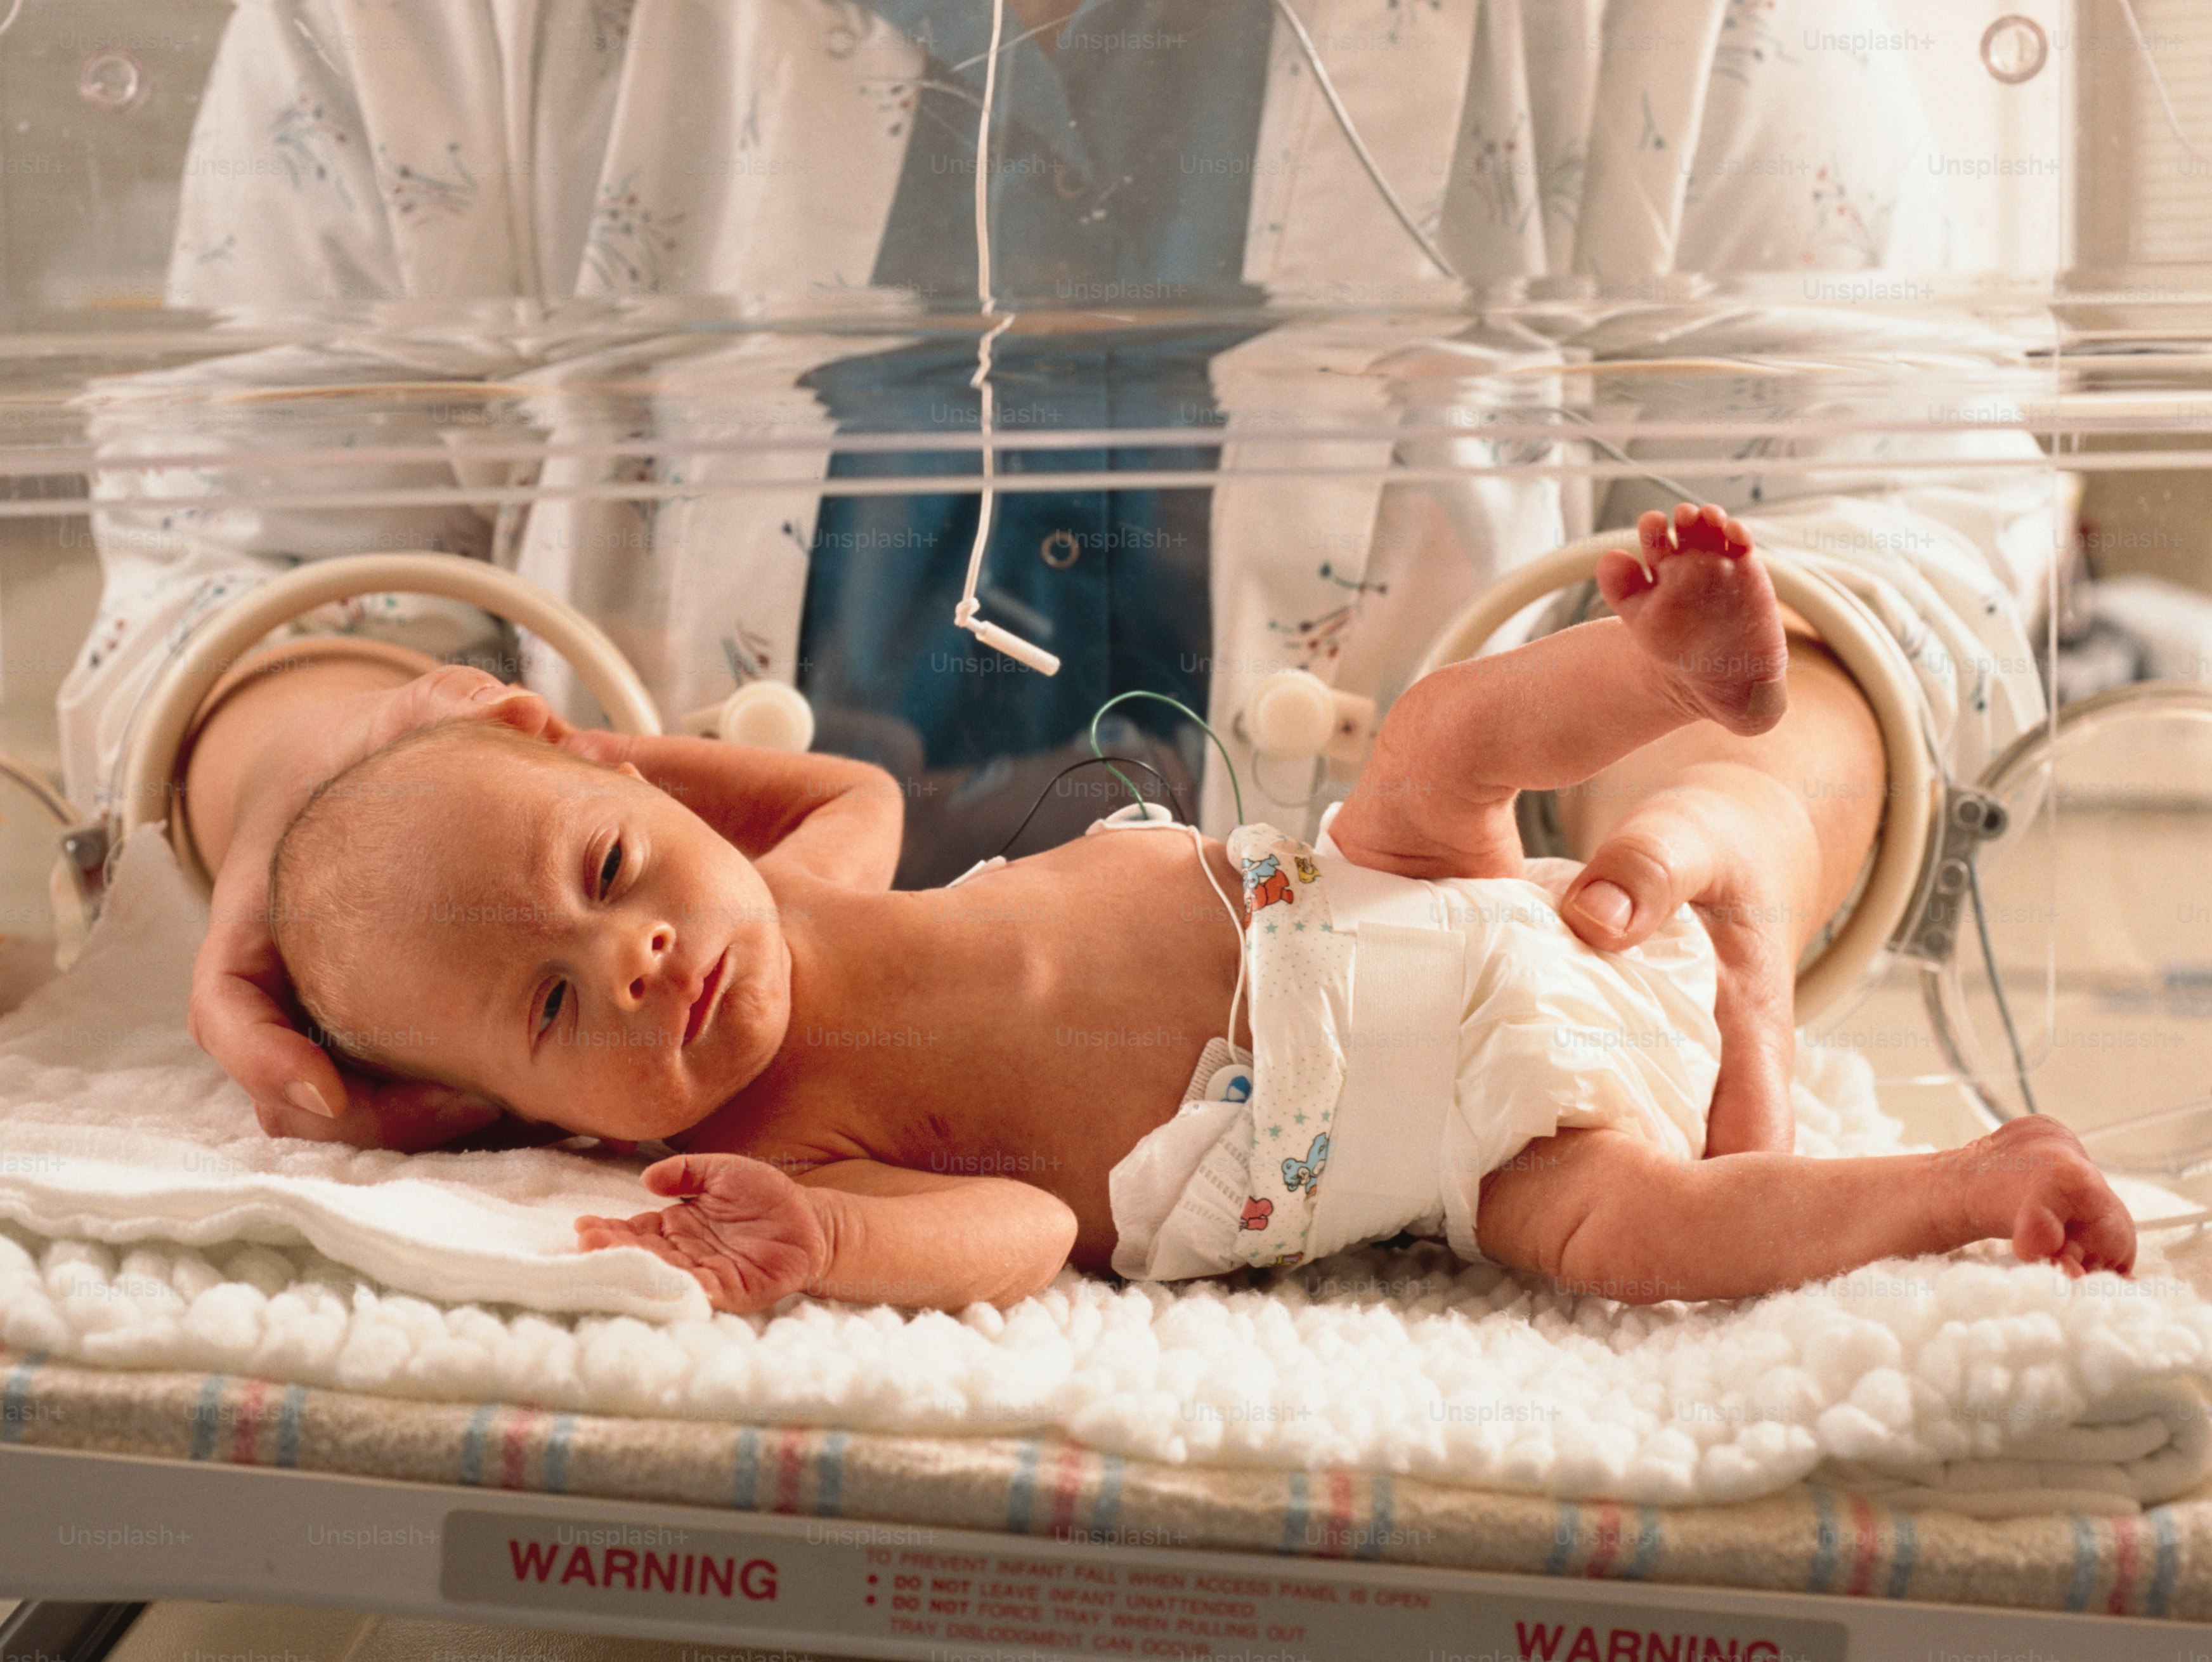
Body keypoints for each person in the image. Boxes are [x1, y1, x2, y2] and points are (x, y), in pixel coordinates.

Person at [60, 0, 2045, 1153]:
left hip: (1458, 1042)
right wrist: (330, 817)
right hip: (738, 1177)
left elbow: (1902, 519)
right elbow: (257, 553)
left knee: (1507, 866)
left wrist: (1741, 819)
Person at [253, 507, 2134, 1311]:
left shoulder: (800, 879)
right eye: (559, 1012)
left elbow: (849, 784)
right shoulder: (775, 1119)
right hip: (1423, 1127)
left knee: (1440, 742)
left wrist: (599, 752)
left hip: (1358, 883)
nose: (636, 953)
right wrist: (820, 1238)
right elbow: (1006, 1233)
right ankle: (1961, 1188)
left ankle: (1668, 673)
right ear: (545, 1125)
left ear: (648, 798)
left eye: (605, 872)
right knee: (1641, 1234)